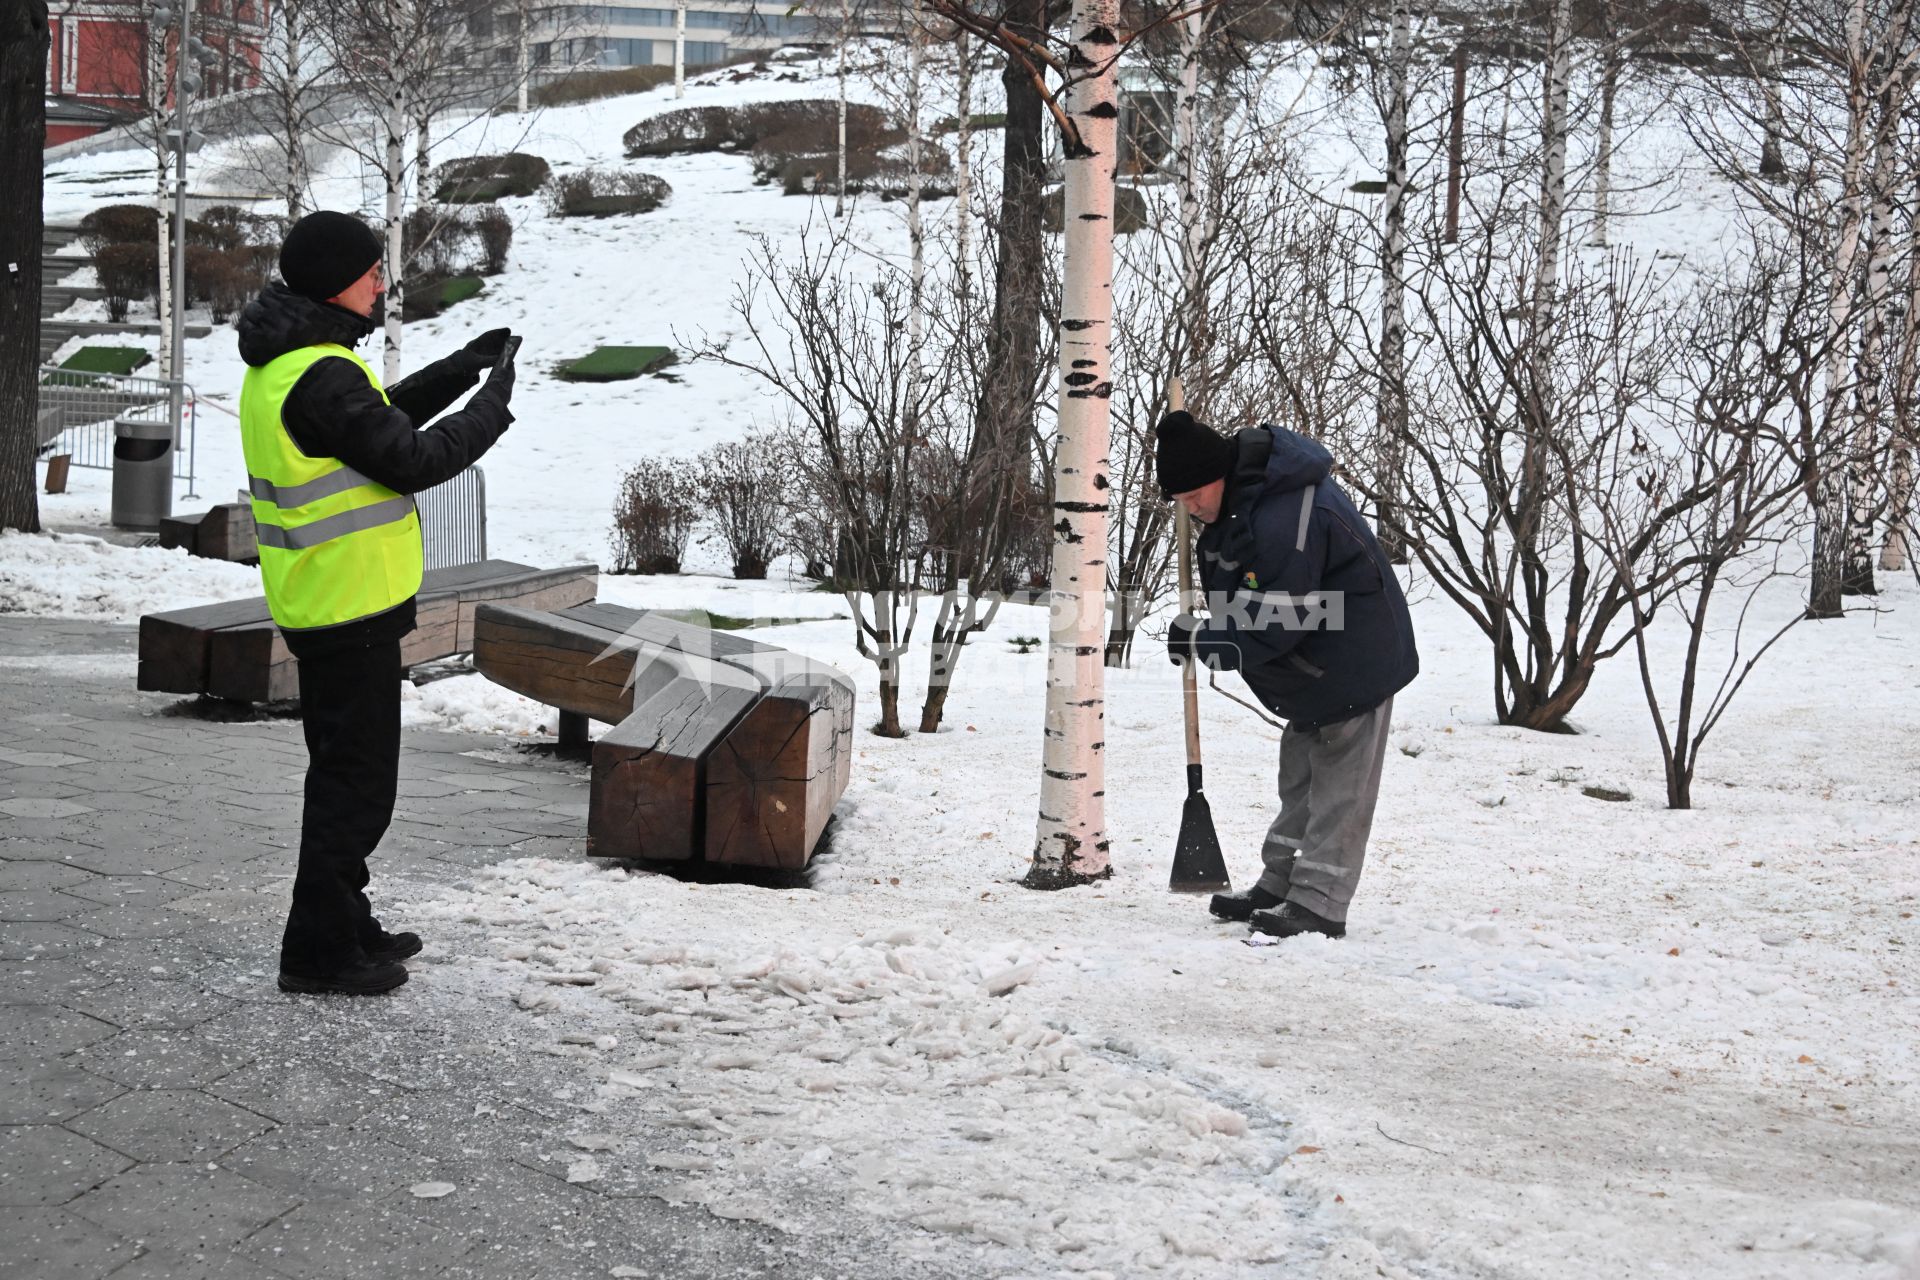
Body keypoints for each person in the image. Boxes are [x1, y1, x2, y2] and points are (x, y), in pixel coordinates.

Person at [236, 210, 518, 995]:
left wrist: (461, 368)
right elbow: (412, 457)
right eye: (370, 272)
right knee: (354, 790)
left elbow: (374, 421)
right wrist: (491, 406)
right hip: (346, 609)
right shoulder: (320, 371)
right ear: (336, 281)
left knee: (345, 778)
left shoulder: (292, 363)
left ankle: (344, 922)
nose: (381, 283)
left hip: (328, 603)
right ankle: (318, 954)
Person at [1157, 410, 1418, 940]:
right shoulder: (1243, 505)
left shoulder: (1283, 519)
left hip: (1351, 663)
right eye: (1179, 501)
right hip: (1309, 670)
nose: (1189, 509)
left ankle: (1319, 902)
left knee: (1340, 789)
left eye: (1192, 496)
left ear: (1220, 473)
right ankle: (1281, 885)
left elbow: (1278, 622)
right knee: (1298, 778)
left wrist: (1203, 639)